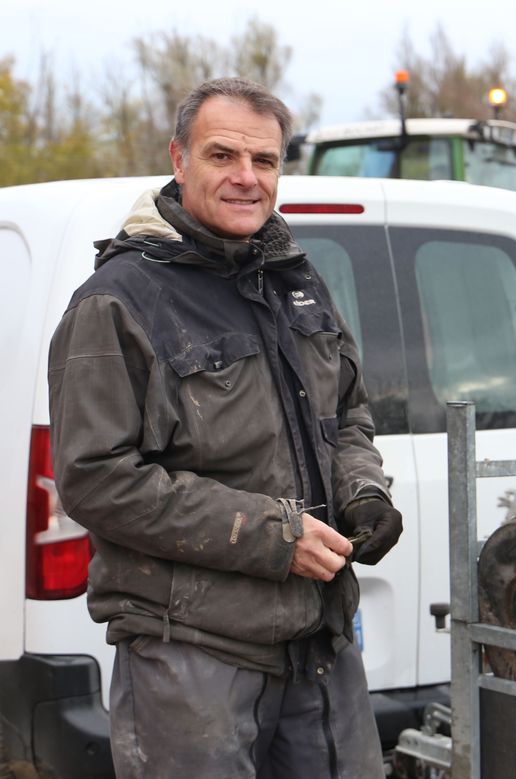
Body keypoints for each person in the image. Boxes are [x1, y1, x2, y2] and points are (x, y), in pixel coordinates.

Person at [48, 77, 402, 778]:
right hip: (191, 659)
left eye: (264, 161)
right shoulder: (117, 301)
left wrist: (363, 488)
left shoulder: (296, 279)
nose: (246, 177)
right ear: (179, 160)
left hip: (321, 644)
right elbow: (96, 478)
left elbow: (350, 411)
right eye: (223, 156)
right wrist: (273, 535)